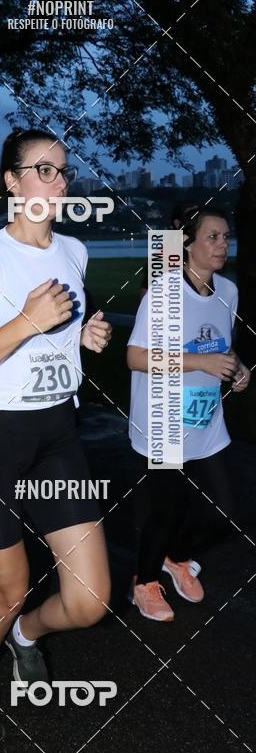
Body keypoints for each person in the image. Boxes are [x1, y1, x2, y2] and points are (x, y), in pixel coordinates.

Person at [0, 129, 113, 742]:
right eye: (43, 170)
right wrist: (25, 322)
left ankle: (27, 634)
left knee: (89, 602)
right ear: (12, 183)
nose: (58, 182)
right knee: (7, 590)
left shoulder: (75, 252)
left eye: (63, 170)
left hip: (57, 437)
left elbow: (55, 332)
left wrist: (79, 337)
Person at [127, 206, 250, 622]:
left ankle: (175, 558)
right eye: (212, 236)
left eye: (226, 236)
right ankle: (144, 583)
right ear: (187, 244)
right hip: (162, 420)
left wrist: (237, 368)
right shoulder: (163, 293)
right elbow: (135, 357)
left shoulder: (228, 291)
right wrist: (200, 363)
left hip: (206, 421)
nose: (222, 244)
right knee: (168, 510)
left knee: (226, 512)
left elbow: (220, 345)